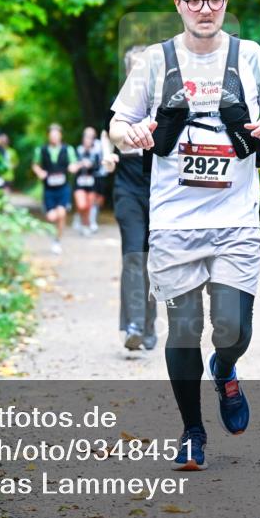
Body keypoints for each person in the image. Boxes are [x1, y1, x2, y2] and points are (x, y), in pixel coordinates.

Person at [110, 0, 260, 470]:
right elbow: (118, 125)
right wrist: (132, 133)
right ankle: (192, 432)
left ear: (225, 2)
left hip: (236, 220)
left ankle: (226, 368)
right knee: (184, 329)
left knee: (233, 330)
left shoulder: (250, 56)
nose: (205, 8)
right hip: (174, 223)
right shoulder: (155, 61)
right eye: (195, 0)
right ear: (178, 4)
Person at [102, 46, 157, 352]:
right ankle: (134, 325)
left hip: (160, 189)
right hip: (127, 187)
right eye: (135, 68)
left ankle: (148, 325)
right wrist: (107, 156)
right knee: (134, 254)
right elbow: (105, 133)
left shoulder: (164, 102)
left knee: (154, 259)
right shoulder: (119, 105)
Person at [31, 124, 81, 254]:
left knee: (62, 213)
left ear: (61, 135)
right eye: (52, 135)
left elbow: (74, 163)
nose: (54, 137)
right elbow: (35, 165)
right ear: (48, 136)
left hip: (63, 188)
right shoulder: (41, 150)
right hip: (48, 189)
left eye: (56, 135)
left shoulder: (68, 149)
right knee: (52, 217)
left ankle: (57, 241)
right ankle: (54, 234)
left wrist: (73, 167)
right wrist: (40, 172)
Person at [73, 127, 103, 236]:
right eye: (87, 138)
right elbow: (72, 165)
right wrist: (81, 164)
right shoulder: (78, 150)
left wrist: (91, 164)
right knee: (82, 205)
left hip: (91, 183)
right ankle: (80, 219)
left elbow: (99, 167)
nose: (88, 140)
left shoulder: (96, 152)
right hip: (79, 183)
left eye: (91, 138)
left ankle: (85, 225)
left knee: (89, 206)